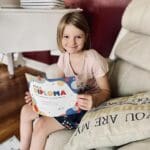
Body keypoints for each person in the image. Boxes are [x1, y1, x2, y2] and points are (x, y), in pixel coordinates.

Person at [20, 12, 111, 150]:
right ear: (60, 37)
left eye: (78, 37)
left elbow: (107, 91)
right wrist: (40, 90)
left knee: (41, 126)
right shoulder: (64, 57)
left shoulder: (93, 59)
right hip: (66, 101)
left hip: (85, 107)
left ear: (86, 36)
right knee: (26, 111)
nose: (71, 43)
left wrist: (95, 99)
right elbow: (59, 84)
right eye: (66, 37)